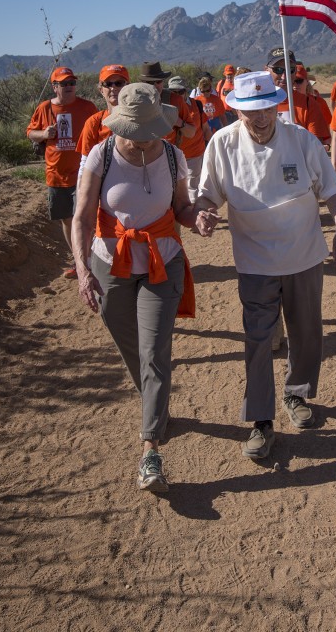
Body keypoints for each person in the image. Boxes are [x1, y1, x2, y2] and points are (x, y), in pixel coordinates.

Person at [195, 71, 336, 461]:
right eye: (251, 110)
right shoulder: (222, 144)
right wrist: (203, 214)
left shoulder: (299, 140)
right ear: (236, 110)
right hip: (254, 261)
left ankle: (297, 394)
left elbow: (331, 188)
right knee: (258, 339)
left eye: (266, 108)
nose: (260, 117)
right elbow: (206, 196)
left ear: (276, 105)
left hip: (303, 255)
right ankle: (261, 420)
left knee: (307, 332)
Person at [72, 83, 199, 494]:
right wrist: (82, 270)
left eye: (149, 129)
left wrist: (198, 218)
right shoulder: (101, 155)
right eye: (135, 129)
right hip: (110, 263)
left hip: (163, 262)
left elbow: (181, 208)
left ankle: (150, 452)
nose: (143, 137)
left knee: (155, 351)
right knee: (129, 342)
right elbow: (82, 216)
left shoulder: (174, 156)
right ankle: (156, 405)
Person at [27, 66, 97, 277]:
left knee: (84, 219)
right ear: (54, 87)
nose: (69, 87)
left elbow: (100, 130)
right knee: (66, 220)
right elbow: (30, 132)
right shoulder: (44, 108)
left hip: (83, 175)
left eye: (72, 83)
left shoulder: (87, 107)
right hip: (55, 175)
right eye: (64, 84)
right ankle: (79, 261)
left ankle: (92, 261)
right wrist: (43, 133)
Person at [266, 47, 330, 144]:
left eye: (290, 70)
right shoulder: (258, 104)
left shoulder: (309, 104)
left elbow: (315, 147)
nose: (284, 76)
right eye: (278, 69)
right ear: (266, 70)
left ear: (295, 71)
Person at [76, 65, 130, 175]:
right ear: (101, 90)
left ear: (128, 87)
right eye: (108, 84)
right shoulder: (94, 123)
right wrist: (81, 190)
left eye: (119, 83)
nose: (113, 88)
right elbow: (85, 163)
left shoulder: (140, 118)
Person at [167, 75, 211, 201]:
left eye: (179, 92)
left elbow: (206, 128)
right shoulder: (164, 108)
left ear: (185, 91)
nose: (176, 95)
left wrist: (211, 149)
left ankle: (192, 217)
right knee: (172, 189)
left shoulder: (196, 104)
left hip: (194, 154)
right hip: (172, 156)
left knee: (192, 188)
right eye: (173, 92)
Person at [138, 61, 196, 146]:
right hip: (141, 154)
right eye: (150, 83)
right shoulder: (135, 101)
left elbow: (191, 133)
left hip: (168, 154)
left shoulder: (175, 100)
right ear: (142, 84)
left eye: (158, 82)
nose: (155, 86)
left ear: (163, 82)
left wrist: (178, 122)